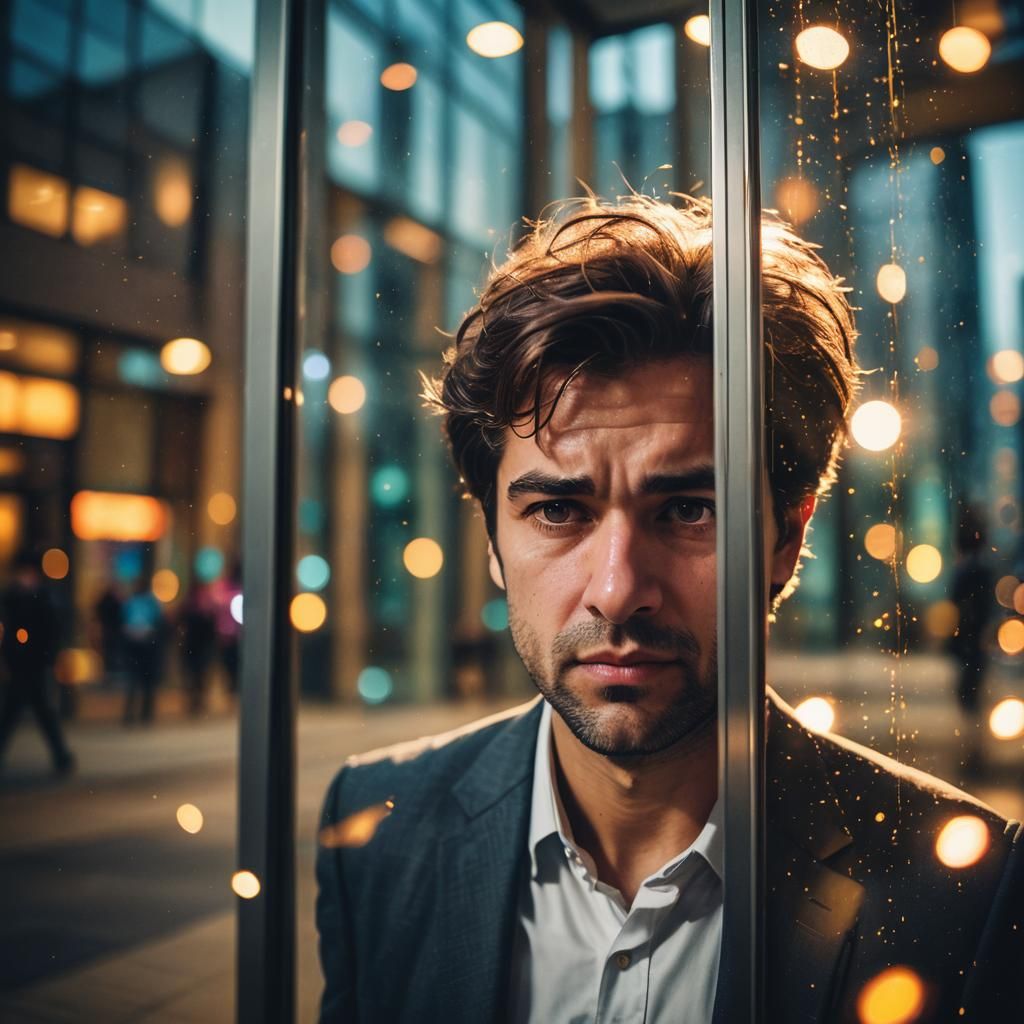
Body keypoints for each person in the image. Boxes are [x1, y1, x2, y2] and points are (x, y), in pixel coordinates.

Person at [315, 196, 1023, 1022]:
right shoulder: (377, 833)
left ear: (786, 538)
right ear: (492, 541)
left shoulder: (966, 892)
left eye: (689, 510)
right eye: (557, 511)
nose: (618, 589)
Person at [0, 550, 74, 775]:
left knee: (39, 712)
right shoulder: (12, 597)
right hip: (18, 664)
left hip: (36, 665)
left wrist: (47, 658)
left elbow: (52, 632)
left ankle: (62, 756)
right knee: (15, 712)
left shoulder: (43, 599)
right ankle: (61, 756)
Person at [121, 578, 166, 725]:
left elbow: (158, 622)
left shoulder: (149, 602)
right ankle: (132, 712)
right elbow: (124, 621)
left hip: (146, 645)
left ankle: (145, 712)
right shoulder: (133, 602)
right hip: (135, 645)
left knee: (145, 681)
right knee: (134, 681)